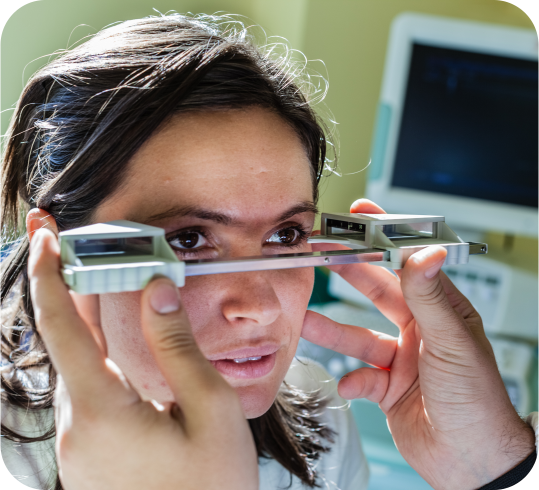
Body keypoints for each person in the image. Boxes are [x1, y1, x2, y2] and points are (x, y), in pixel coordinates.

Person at [0, 12, 537, 490]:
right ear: (61, 254)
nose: (261, 307)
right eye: (188, 239)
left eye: (286, 235)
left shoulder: (321, 418)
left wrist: (489, 470)